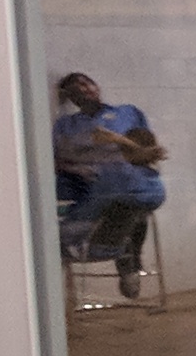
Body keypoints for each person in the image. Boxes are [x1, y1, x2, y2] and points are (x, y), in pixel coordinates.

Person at [50, 72, 168, 297]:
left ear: (97, 86)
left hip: (133, 184)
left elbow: (148, 147)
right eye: (76, 88)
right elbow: (56, 161)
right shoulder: (66, 126)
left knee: (132, 197)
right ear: (70, 97)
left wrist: (138, 151)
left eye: (87, 83)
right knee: (116, 202)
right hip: (94, 189)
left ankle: (123, 255)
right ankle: (123, 256)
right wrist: (79, 168)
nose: (84, 89)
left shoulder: (127, 113)